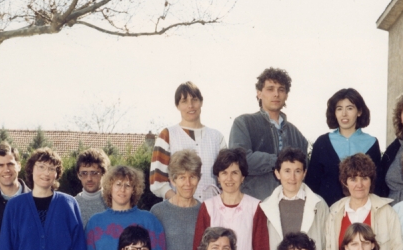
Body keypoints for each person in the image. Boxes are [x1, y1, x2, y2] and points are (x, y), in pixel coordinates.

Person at [229, 67, 309, 200]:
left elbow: (304, 172)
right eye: (270, 89)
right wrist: (279, 161)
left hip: (289, 206)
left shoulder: (297, 135)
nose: (276, 94)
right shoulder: (244, 123)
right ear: (259, 93)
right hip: (254, 203)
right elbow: (240, 162)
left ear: (286, 95)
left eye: (281, 89)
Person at [149, 81, 227, 202]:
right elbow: (157, 181)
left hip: (212, 209)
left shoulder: (217, 137)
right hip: (178, 211)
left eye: (194, 100)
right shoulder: (167, 135)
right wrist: (178, 201)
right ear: (177, 105)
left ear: (201, 102)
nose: (190, 106)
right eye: (184, 101)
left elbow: (225, 177)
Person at [259, 147, 329, 250]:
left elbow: (327, 246)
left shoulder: (319, 205)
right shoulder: (266, 206)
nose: (292, 177)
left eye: (297, 171)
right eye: (287, 171)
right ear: (277, 173)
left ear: (304, 173)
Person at [306, 88, 381, 206]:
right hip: (328, 212)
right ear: (334, 113)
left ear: (359, 111)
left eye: (350, 108)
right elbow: (312, 184)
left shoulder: (371, 143)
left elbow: (377, 184)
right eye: (339, 109)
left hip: (362, 211)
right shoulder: (322, 142)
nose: (344, 114)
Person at [151, 149, 203, 250]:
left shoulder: (205, 212)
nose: (188, 183)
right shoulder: (158, 212)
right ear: (172, 181)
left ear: (199, 178)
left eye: (192, 177)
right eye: (181, 177)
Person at [73, 148, 110, 227]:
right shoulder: (72, 205)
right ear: (78, 175)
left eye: (94, 173)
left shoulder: (113, 204)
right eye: (84, 173)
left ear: (104, 173)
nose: (89, 179)